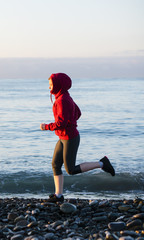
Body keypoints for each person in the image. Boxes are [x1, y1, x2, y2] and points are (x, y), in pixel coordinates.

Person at [40, 73, 115, 202]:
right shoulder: (64, 97)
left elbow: (61, 123)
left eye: (51, 85)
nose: (49, 88)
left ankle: (103, 163)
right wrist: (70, 123)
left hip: (70, 138)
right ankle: (58, 195)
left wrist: (46, 126)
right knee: (55, 164)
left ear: (59, 84)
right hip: (63, 137)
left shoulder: (63, 99)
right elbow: (78, 113)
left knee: (71, 170)